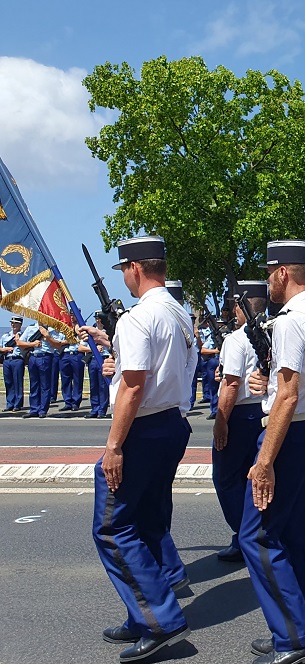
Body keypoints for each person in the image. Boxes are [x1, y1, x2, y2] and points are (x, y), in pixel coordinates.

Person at [78, 235, 198, 662]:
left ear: (134, 268)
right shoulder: (180, 314)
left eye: (124, 270)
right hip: (171, 424)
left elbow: (132, 385)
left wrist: (113, 446)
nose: (125, 279)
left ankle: (160, 620)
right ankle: (140, 612)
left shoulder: (138, 317)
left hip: (142, 430)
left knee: (112, 528)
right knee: (147, 521)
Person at [241, 239, 305, 663]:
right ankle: (296, 621)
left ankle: (296, 637)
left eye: (268, 272)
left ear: (283, 272)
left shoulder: (290, 320)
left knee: (258, 536)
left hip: (290, 433)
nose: (267, 281)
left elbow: (289, 395)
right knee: (294, 535)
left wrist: (264, 462)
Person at [211, 280, 268, 564]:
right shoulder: (270, 331)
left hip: (240, 413)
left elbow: (231, 384)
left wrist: (221, 421)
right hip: (262, 411)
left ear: (241, 305)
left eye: (235, 304)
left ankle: (244, 534)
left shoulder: (236, 339)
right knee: (252, 477)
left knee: (226, 479)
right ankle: (252, 531)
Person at [17, 320, 57, 418]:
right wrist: (32, 344)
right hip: (33, 357)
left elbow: (58, 344)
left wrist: (47, 336)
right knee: (34, 384)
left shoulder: (51, 329)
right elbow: (19, 343)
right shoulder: (31, 328)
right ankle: (34, 409)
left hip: (45, 356)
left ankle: (43, 410)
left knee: (45, 385)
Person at [84, 313, 111, 419]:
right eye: (96, 319)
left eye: (99, 319)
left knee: (102, 386)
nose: (98, 321)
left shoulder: (108, 331)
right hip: (93, 359)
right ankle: (94, 408)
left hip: (104, 359)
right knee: (93, 385)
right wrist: (92, 349)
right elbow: (81, 347)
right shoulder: (91, 331)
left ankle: (102, 410)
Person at [57, 315, 85, 412]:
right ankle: (67, 401)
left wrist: (77, 331)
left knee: (77, 379)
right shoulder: (64, 327)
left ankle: (76, 402)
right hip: (65, 354)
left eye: (74, 315)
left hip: (77, 354)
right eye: (71, 315)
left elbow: (83, 340)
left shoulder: (82, 328)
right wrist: (68, 340)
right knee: (65, 379)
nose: (73, 317)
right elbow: (59, 341)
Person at [197, 316, 221, 419]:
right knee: (213, 387)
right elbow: (203, 350)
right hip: (215, 360)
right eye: (219, 324)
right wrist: (215, 351)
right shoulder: (213, 336)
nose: (221, 326)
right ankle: (215, 410)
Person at [1, 315, 25, 411]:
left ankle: (17, 404)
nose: (13, 325)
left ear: (20, 324)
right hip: (7, 360)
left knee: (18, 382)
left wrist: (18, 341)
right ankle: (10, 403)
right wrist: (4, 349)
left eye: (16, 323)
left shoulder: (23, 336)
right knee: (8, 382)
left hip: (17, 359)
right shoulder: (5, 336)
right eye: (12, 323)